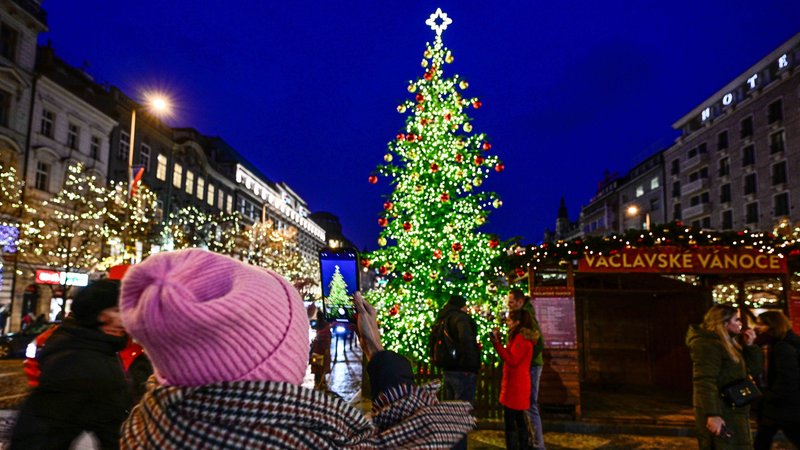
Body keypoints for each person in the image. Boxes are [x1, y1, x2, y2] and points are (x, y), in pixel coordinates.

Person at [118, 248, 475, 449]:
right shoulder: (318, 438)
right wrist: (377, 352)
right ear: (275, 360)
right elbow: (434, 439)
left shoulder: (144, 428)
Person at [10, 280, 132, 450]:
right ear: (97, 315)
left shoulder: (78, 343)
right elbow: (118, 432)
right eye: (117, 310)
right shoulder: (88, 360)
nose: (125, 319)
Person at [686, 304, 762, 450]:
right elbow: (704, 381)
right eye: (736, 319)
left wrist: (750, 346)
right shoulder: (707, 344)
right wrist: (713, 414)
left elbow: (753, 371)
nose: (740, 323)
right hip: (722, 410)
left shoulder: (729, 343)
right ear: (724, 323)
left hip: (734, 409)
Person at [432, 294, 481, 450]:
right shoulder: (460, 318)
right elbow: (467, 341)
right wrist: (471, 365)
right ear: (462, 306)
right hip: (462, 371)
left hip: (448, 370)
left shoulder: (442, 318)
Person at [490, 309, 538, 450]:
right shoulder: (520, 337)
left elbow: (512, 360)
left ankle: (516, 446)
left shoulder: (520, 339)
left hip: (516, 386)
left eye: (510, 320)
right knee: (518, 419)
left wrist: (497, 344)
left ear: (517, 322)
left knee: (512, 422)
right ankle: (522, 445)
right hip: (517, 384)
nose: (507, 323)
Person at [753, 310, 800, 450]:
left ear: (772, 325)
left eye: (761, 324)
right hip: (783, 404)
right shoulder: (781, 343)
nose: (757, 327)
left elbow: (788, 377)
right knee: (763, 439)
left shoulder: (782, 346)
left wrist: (770, 396)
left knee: (763, 440)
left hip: (783, 404)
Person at [508, 288, 545, 449]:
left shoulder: (527, 317)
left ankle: (538, 444)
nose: (509, 305)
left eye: (511, 302)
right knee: (525, 404)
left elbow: (539, 343)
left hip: (532, 366)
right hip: (529, 365)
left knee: (530, 404)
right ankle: (531, 440)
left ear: (520, 302)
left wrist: (526, 359)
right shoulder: (521, 315)